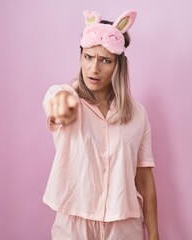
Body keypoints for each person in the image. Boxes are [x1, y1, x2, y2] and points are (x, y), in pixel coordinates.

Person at [42, 9, 160, 240]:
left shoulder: (137, 114)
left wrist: (154, 234)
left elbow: (144, 178)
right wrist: (62, 104)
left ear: (118, 65)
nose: (94, 69)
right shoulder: (66, 97)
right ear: (80, 57)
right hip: (74, 224)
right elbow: (57, 108)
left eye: (105, 60)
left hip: (124, 225)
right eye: (88, 57)